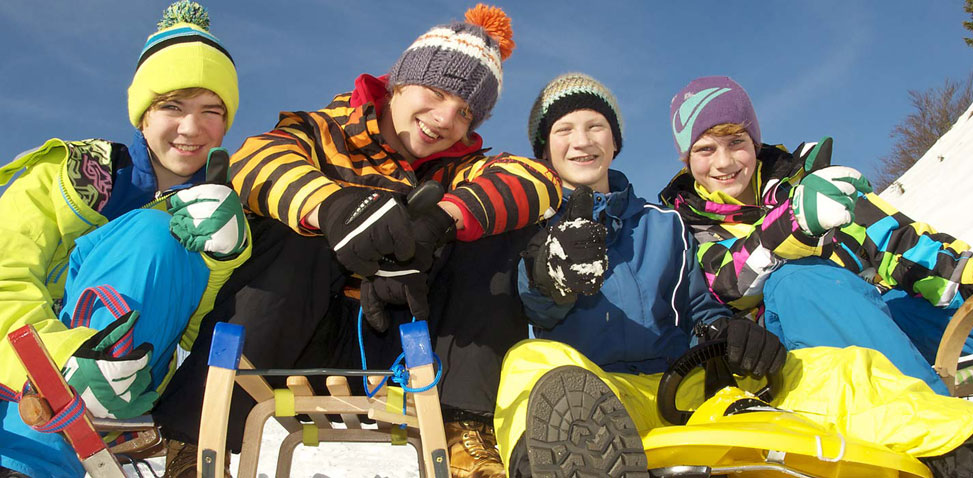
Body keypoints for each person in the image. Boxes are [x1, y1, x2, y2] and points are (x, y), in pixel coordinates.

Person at [493, 73, 973, 478]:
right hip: (605, 399)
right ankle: (558, 462)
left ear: (615, 141)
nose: (582, 140)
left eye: (595, 126)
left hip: (691, 386)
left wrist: (724, 330)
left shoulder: (664, 224)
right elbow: (530, 309)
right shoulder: (530, 226)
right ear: (544, 148)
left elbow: (700, 305)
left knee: (834, 371)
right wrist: (547, 276)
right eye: (564, 130)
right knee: (531, 364)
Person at [151, 5, 560, 477]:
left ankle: (465, 431)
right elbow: (256, 159)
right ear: (399, 83)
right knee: (289, 230)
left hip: (406, 352)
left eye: (465, 111)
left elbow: (536, 180)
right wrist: (332, 209)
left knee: (494, 228)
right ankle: (195, 440)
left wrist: (441, 221)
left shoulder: (457, 169)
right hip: (300, 336)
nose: (445, 118)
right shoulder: (325, 130)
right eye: (436, 92)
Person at [0, 1, 248, 477]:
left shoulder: (223, 214)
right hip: (23, 375)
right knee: (153, 229)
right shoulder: (66, 179)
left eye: (211, 111)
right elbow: (6, 278)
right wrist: (63, 357)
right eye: (172, 106)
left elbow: (197, 341)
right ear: (143, 115)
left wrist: (224, 259)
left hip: (132, 387)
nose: (191, 128)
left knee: (160, 234)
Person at [659, 76, 973, 394]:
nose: (723, 162)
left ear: (754, 142)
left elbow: (893, 239)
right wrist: (792, 224)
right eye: (705, 149)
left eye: (736, 142)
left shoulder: (806, 183)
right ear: (687, 160)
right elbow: (727, 282)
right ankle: (935, 427)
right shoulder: (685, 226)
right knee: (798, 279)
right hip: (781, 354)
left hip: (869, 315)